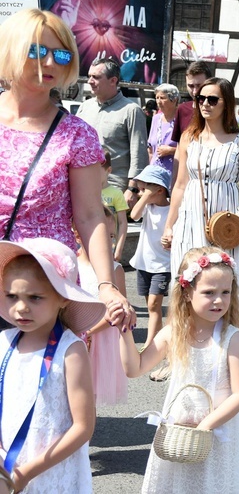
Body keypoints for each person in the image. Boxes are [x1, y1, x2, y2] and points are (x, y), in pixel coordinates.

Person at [0, 9, 133, 330]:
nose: (49, 63)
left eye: (59, 55)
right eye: (36, 51)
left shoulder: (76, 134)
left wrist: (106, 284)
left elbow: (89, 216)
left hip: (40, 289)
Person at [118, 247, 239, 493]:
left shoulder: (231, 337)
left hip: (217, 432)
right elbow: (134, 368)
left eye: (226, 292)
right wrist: (124, 331)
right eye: (209, 293)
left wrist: (207, 425)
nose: (219, 300)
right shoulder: (173, 333)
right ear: (188, 293)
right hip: (178, 433)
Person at [0, 238, 105, 492]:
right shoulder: (3, 341)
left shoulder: (70, 350)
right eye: (11, 296)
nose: (21, 308)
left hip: (52, 470)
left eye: (35, 297)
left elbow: (83, 427)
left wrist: (27, 471)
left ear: (63, 299)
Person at [162, 77, 239, 303]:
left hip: (225, 223)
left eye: (212, 99)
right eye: (200, 98)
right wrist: (169, 225)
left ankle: (229, 337)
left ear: (226, 103)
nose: (205, 103)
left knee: (224, 286)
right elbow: (180, 185)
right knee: (188, 285)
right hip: (189, 218)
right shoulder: (189, 137)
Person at [77, 57, 149, 202]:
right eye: (89, 76)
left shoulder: (131, 110)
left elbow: (139, 153)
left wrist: (132, 189)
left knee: (110, 225)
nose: (90, 81)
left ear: (113, 80)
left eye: (96, 77)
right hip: (82, 184)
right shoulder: (85, 107)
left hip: (114, 188)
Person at [76, 207, 129, 406]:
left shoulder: (116, 270)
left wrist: (90, 331)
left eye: (112, 236)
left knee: (90, 396)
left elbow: (118, 310)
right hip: (73, 332)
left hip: (99, 337)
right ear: (78, 234)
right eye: (102, 235)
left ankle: (87, 434)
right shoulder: (71, 264)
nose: (108, 241)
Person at [130, 165, 172, 350]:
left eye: (144, 189)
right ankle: (159, 337)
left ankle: (150, 345)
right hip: (144, 262)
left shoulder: (172, 209)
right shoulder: (147, 207)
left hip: (163, 264)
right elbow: (134, 214)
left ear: (159, 189)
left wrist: (170, 239)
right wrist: (146, 196)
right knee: (150, 306)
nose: (141, 194)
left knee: (155, 304)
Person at [170, 61, 212, 182]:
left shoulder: (219, 110)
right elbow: (179, 149)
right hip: (186, 178)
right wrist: (174, 182)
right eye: (190, 86)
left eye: (199, 86)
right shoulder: (182, 109)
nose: (194, 91)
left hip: (212, 177)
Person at [99, 151, 129, 262]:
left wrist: (119, 249)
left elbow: (122, 223)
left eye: (97, 172)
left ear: (109, 171)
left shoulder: (116, 193)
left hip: (109, 245)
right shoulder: (87, 192)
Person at [147, 83, 179, 174]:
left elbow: (191, 150)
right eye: (157, 98)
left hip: (173, 174)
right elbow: (150, 149)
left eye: (162, 98)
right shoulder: (156, 118)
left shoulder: (181, 119)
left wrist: (172, 151)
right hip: (154, 174)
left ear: (174, 100)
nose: (158, 101)